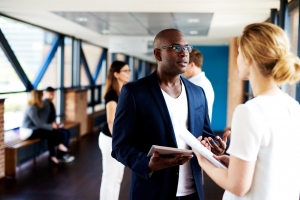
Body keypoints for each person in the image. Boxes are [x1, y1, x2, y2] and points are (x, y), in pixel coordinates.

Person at [111, 28, 230, 200]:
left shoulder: (198, 93)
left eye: (186, 48)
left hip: (192, 191)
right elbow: (120, 147)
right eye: (176, 48)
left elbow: (205, 135)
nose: (184, 53)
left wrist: (215, 149)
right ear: (158, 54)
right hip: (152, 192)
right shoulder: (134, 92)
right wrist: (147, 164)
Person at [193, 22, 300, 200]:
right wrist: (234, 163)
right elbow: (274, 165)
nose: (238, 58)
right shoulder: (294, 106)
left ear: (249, 59)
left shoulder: (250, 111)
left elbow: (238, 186)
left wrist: (203, 161)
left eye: (239, 53)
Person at [98, 61, 131, 200]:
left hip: (118, 139)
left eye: (129, 70)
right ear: (116, 74)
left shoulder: (123, 91)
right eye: (125, 71)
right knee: (109, 178)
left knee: (117, 178)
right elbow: (111, 121)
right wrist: (119, 143)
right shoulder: (112, 94)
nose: (129, 73)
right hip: (110, 139)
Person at [20, 90, 72, 165]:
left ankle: (53, 155)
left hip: (33, 130)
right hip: (27, 132)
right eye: (41, 97)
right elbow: (39, 124)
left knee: (50, 133)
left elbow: (39, 124)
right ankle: (58, 146)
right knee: (50, 132)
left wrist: (51, 126)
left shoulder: (34, 107)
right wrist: (51, 126)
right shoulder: (31, 108)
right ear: (37, 98)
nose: (42, 99)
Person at [42, 86, 74, 162]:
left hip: (52, 126)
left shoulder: (51, 104)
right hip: (48, 128)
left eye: (53, 94)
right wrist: (53, 125)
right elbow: (43, 120)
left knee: (67, 132)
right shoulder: (45, 104)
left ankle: (62, 154)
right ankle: (60, 155)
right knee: (64, 134)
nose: (52, 96)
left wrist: (56, 124)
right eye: (50, 94)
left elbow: (52, 118)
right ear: (45, 93)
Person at [183, 49, 214, 122]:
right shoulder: (200, 83)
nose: (183, 70)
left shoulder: (200, 85)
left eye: (185, 65)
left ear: (192, 65)